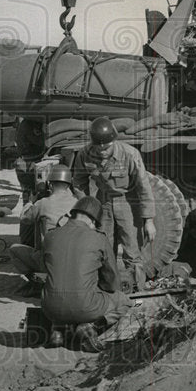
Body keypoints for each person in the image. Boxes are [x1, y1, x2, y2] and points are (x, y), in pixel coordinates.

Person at [72, 116, 156, 290]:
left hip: (128, 204)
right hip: (103, 203)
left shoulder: (129, 154)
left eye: (107, 146)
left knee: (132, 250)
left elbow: (144, 187)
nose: (102, 149)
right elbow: (79, 182)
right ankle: (108, 291)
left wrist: (149, 220)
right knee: (104, 248)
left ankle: (137, 291)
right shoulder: (85, 154)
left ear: (114, 141)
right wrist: (87, 212)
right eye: (99, 145)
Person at [41, 195, 134, 350]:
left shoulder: (50, 235)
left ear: (73, 214)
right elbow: (112, 283)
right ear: (92, 221)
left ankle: (58, 330)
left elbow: (47, 269)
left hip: (49, 309)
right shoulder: (98, 238)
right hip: (85, 307)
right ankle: (91, 326)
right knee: (123, 301)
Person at [9, 165, 74, 293]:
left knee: (14, 250)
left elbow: (25, 218)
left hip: (49, 262)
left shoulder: (43, 203)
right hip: (73, 263)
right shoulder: (77, 202)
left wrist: (30, 202)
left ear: (50, 185)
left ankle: (37, 283)